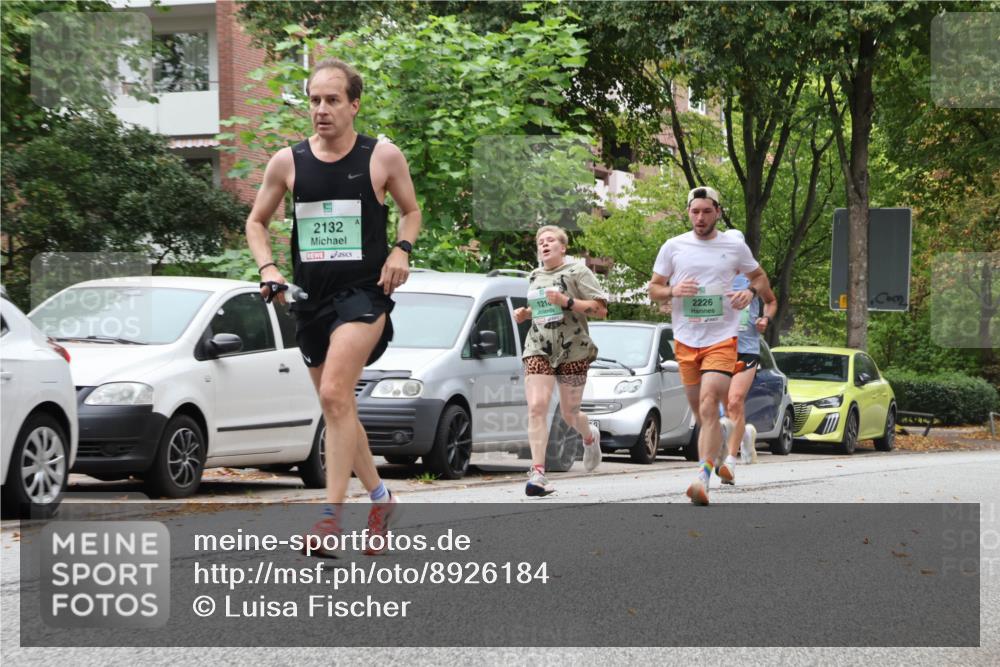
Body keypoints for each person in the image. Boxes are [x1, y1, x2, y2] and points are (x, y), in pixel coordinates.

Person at [245, 58, 421, 555]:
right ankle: (382, 498)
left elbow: (411, 212)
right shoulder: (288, 161)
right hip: (311, 300)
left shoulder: (381, 157)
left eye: (332, 100)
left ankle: (329, 517)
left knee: (334, 394)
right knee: (338, 405)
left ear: (354, 104)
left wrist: (401, 250)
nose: (321, 110)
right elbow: (256, 222)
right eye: (314, 100)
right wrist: (268, 269)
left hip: (365, 295)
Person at [648, 186, 774, 506]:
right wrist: (674, 290)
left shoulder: (733, 247)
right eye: (695, 211)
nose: (700, 217)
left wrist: (751, 293)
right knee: (702, 415)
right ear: (688, 212)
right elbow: (654, 290)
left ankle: (702, 477)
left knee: (708, 402)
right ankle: (718, 449)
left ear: (717, 211)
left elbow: (760, 278)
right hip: (686, 340)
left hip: (722, 340)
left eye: (707, 211)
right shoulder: (673, 247)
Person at [513, 226, 609, 497]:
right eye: (540, 242)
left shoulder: (579, 272)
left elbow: (601, 309)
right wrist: (526, 314)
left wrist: (567, 302)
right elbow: (543, 309)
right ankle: (538, 473)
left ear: (563, 248)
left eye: (550, 240)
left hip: (574, 349)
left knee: (569, 413)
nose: (544, 245)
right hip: (538, 346)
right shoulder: (535, 275)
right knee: (537, 407)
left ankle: (589, 437)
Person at [716, 229, 777, 485]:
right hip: (718, 347)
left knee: (735, 401)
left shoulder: (755, 278)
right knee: (719, 407)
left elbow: (771, 301)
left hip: (748, 347)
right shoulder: (716, 276)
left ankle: (730, 462)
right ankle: (745, 436)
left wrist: (765, 318)